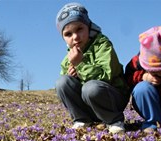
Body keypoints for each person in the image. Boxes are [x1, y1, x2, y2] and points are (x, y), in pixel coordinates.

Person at [55, 3, 129, 133]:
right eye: (68, 34)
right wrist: (72, 76)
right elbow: (65, 87)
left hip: (111, 99)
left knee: (91, 88)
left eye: (79, 29)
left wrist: (80, 64)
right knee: (63, 82)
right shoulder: (69, 57)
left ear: (88, 27)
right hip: (90, 103)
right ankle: (82, 119)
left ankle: (114, 120)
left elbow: (106, 76)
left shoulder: (102, 44)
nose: (75, 37)